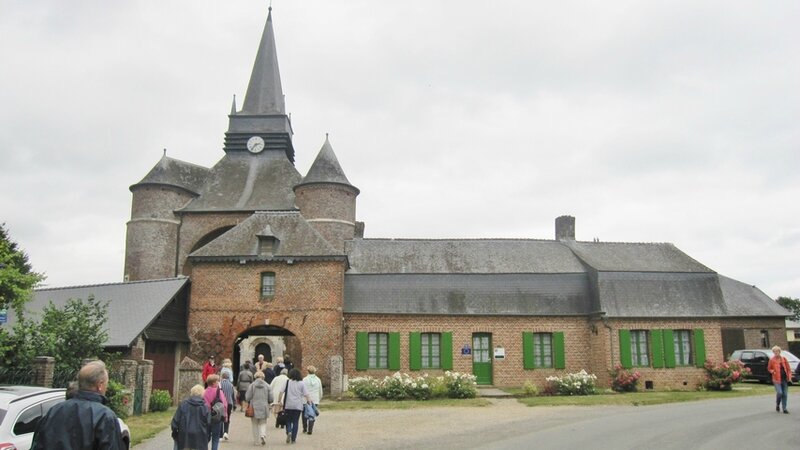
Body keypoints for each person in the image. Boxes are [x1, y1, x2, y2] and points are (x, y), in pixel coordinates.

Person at [31, 360, 125, 450]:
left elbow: (37, 445)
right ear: (100, 385)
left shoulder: (53, 411)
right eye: (106, 384)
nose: (106, 388)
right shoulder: (105, 417)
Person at [278, 368, 313, 444]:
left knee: (288, 420)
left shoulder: (287, 382)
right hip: (298, 405)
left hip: (288, 405)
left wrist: (279, 401)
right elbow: (306, 394)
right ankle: (293, 439)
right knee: (295, 421)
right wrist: (309, 401)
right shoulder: (301, 383)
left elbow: (281, 392)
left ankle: (289, 431)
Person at [171, 384, 210, 450]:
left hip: (184, 437)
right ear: (202, 394)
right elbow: (209, 424)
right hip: (200, 438)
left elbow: (175, 422)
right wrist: (207, 437)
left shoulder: (183, 405)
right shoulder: (205, 407)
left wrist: (175, 435)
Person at [245, 370, 273, 446]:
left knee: (254, 424)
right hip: (264, 407)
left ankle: (256, 441)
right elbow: (271, 399)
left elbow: (247, 397)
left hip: (253, 406)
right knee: (263, 423)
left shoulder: (252, 385)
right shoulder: (267, 385)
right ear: (263, 377)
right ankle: (262, 435)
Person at [203, 374, 228, 450]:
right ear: (214, 383)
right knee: (215, 438)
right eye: (217, 381)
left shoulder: (204, 392)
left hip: (206, 417)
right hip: (217, 417)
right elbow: (224, 405)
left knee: (205, 438)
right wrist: (225, 417)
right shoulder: (219, 392)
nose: (218, 383)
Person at [767, 345, 792, 414]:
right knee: (780, 393)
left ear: (779, 351)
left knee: (785, 394)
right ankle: (777, 404)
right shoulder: (771, 360)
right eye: (774, 351)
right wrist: (773, 371)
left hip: (784, 379)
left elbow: (788, 369)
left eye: (777, 351)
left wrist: (789, 377)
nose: (776, 352)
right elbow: (769, 368)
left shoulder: (784, 359)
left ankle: (784, 408)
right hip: (776, 379)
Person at [302, 365, 323, 435]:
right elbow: (320, 390)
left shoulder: (304, 379)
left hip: (305, 399)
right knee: (312, 413)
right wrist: (319, 398)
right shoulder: (318, 380)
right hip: (315, 399)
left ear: (307, 371)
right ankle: (310, 428)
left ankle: (305, 428)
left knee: (305, 414)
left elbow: (302, 390)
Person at [219, 371, 237, 440]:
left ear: (222, 377)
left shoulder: (219, 384)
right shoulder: (231, 385)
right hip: (229, 403)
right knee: (227, 417)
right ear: (228, 377)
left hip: (221, 403)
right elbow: (233, 395)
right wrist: (234, 404)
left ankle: (220, 435)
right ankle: (226, 432)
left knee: (220, 418)